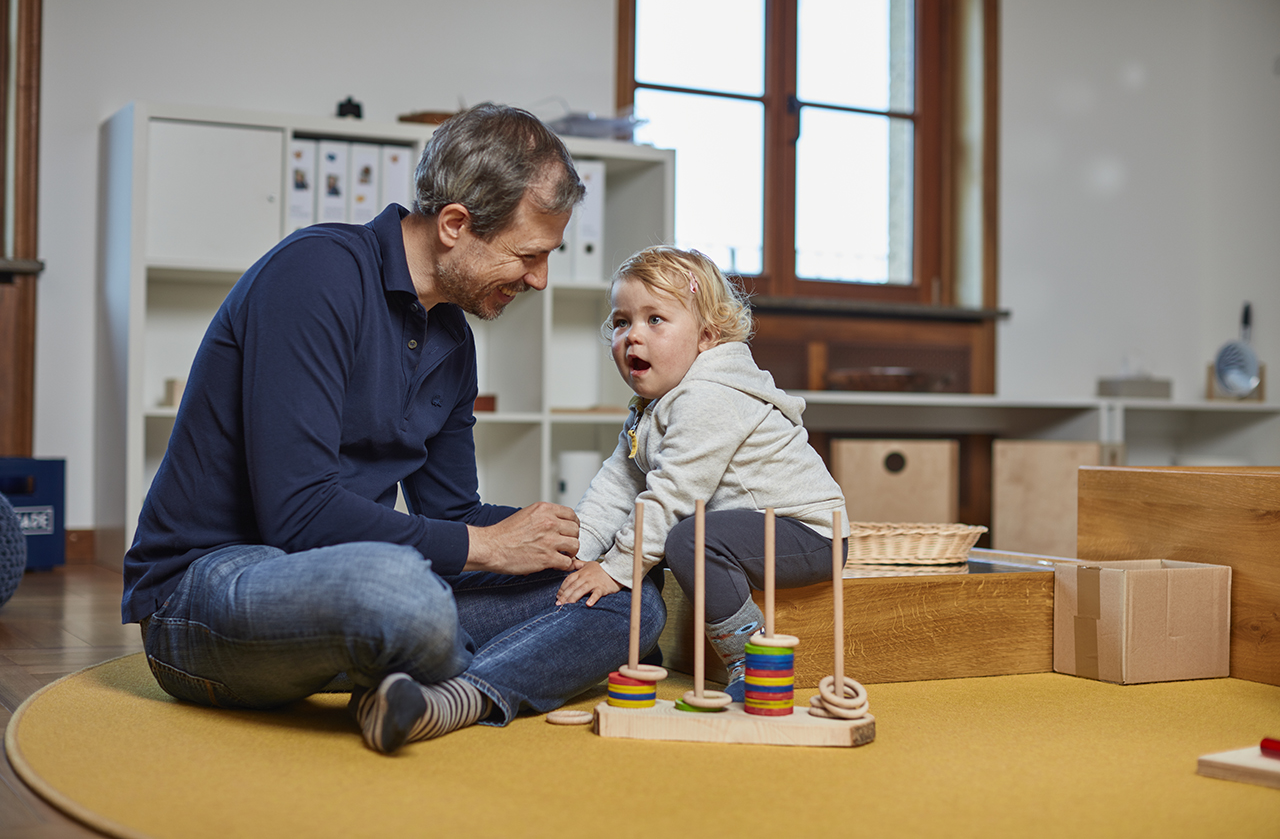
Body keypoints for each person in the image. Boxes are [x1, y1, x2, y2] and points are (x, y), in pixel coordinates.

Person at [120, 103, 667, 754]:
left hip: (352, 577)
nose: (540, 279)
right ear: (456, 225)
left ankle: (450, 698)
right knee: (403, 595)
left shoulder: (452, 339)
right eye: (529, 254)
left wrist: (586, 548)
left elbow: (454, 512)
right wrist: (491, 547)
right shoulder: (314, 275)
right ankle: (455, 654)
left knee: (633, 599)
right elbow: (296, 514)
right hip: (210, 588)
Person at [556, 246, 848, 700]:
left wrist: (613, 569)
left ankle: (750, 660)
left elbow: (674, 493)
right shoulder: (649, 410)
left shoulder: (708, 398)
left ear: (707, 337)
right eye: (621, 321)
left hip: (807, 535)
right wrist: (577, 552)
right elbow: (616, 486)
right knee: (650, 538)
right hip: (744, 532)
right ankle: (639, 650)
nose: (633, 335)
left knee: (684, 538)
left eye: (655, 320)